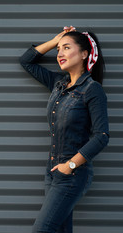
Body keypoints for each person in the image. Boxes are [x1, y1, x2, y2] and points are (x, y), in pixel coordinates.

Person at [19, 26, 110, 233]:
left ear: (84, 53)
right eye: (58, 49)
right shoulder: (58, 84)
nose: (59, 54)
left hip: (72, 173)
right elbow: (26, 60)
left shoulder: (92, 89)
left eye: (66, 48)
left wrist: (69, 165)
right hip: (52, 172)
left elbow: (101, 136)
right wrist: (56, 39)